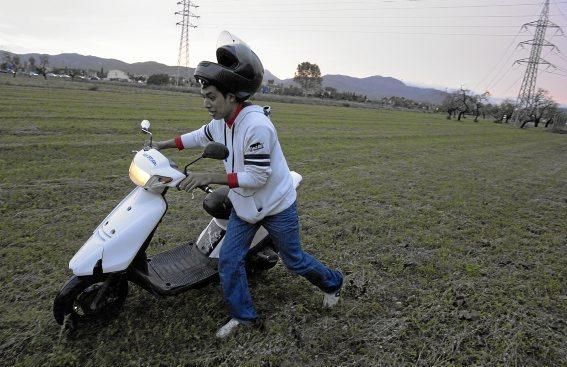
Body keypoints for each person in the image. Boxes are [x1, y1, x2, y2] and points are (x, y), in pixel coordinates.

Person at [153, 31, 343, 339]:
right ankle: (243, 317)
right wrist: (165, 144)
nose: (206, 103)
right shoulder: (222, 122)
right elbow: (200, 136)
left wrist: (209, 176)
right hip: (245, 206)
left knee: (294, 261)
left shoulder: (256, 126)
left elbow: (257, 178)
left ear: (231, 97)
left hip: (276, 206)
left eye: (211, 97)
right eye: (204, 97)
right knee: (229, 261)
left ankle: (333, 282)